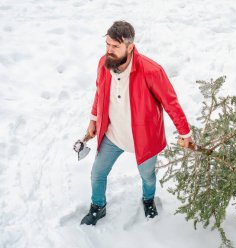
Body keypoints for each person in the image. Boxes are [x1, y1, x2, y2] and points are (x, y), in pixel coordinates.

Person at [80, 20, 193, 225]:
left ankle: (148, 199)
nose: (109, 50)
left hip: (144, 138)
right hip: (113, 135)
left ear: (130, 47)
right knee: (97, 172)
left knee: (148, 177)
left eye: (115, 46)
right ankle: (98, 205)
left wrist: (185, 134)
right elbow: (100, 92)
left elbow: (171, 103)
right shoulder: (103, 63)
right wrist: (94, 119)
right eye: (107, 44)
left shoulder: (152, 71)